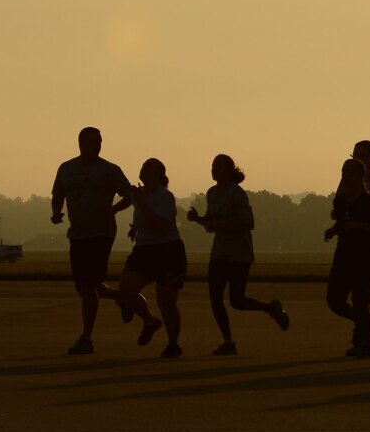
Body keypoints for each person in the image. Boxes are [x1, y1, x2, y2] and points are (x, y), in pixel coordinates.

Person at [187, 153, 289, 356]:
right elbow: (211, 222)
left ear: (228, 170)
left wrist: (223, 225)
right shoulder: (212, 193)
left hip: (239, 254)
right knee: (215, 298)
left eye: (217, 166)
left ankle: (269, 308)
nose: (213, 170)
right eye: (212, 166)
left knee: (236, 300)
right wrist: (197, 218)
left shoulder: (237, 194)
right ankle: (228, 341)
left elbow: (249, 223)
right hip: (219, 252)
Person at [49, 126, 137, 356]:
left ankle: (86, 338)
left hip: (101, 234)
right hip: (77, 234)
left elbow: (130, 195)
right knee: (88, 287)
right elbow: (57, 195)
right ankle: (123, 298)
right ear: (81, 143)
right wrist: (56, 213)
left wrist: (113, 210)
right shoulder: (67, 169)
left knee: (88, 286)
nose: (97, 146)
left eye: (99, 142)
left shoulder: (109, 170)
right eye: (92, 142)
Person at [111, 157, 186, 358]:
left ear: (159, 175)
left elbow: (160, 224)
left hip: (168, 251)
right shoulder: (139, 193)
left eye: (147, 168)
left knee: (166, 302)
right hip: (144, 250)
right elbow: (129, 200)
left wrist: (141, 202)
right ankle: (150, 322)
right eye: (142, 166)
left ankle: (173, 344)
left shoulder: (165, 197)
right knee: (125, 288)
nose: (142, 170)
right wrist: (115, 211)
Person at [324, 157, 370, 358]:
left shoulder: (368, 202)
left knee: (361, 302)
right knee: (334, 301)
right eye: (343, 173)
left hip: (366, 258)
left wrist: (361, 226)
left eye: (350, 174)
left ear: (361, 176)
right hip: (343, 256)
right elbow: (342, 223)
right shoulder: (341, 200)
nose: (346, 177)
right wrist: (333, 230)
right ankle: (361, 324)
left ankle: (367, 343)